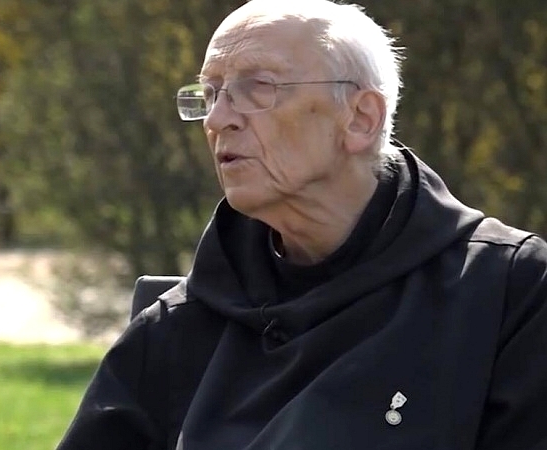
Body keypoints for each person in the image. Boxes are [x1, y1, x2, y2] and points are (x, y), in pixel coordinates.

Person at [57, 0, 547, 448]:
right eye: (210, 93)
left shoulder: (508, 292)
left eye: (256, 87)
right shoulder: (178, 326)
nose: (218, 119)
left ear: (360, 118)